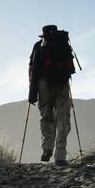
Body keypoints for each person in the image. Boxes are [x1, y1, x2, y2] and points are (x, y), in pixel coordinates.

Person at [28, 24, 76, 165]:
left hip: (44, 85)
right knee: (63, 117)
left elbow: (32, 69)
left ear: (43, 35)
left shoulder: (38, 46)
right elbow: (71, 68)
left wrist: (32, 89)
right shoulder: (63, 43)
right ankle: (60, 155)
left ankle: (47, 148)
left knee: (47, 117)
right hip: (63, 84)